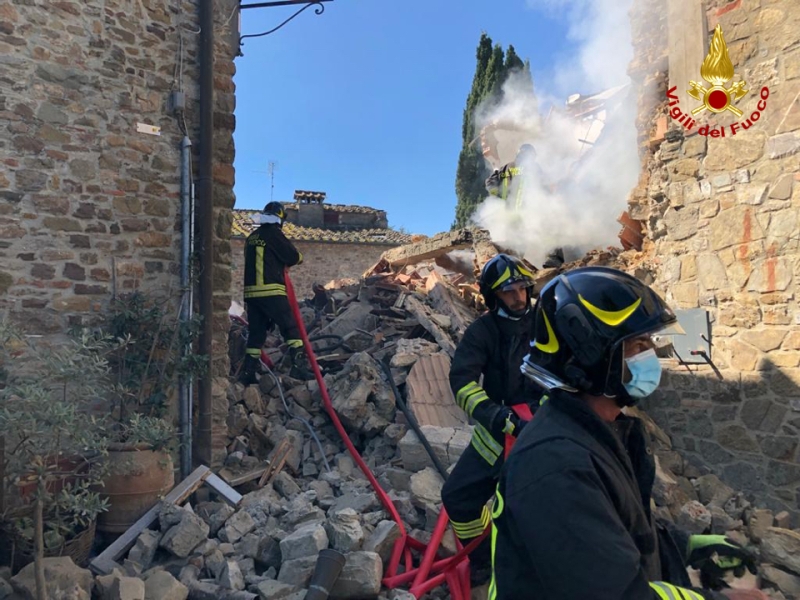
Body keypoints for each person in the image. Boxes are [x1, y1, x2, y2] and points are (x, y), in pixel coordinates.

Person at [490, 266, 764, 600]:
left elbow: (615, 527)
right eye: (637, 345)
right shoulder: (555, 467)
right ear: (591, 359)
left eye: (650, 342)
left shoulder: (604, 430)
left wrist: (683, 545)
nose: (651, 356)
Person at [442, 253, 539, 584]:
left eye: (523, 289)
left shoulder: (547, 321)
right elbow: (462, 381)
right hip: (498, 432)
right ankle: (483, 559)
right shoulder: (483, 331)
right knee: (457, 496)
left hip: (545, 430)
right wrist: (494, 415)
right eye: (509, 292)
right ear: (493, 295)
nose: (519, 298)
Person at [241, 201, 306, 384]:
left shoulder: (251, 237)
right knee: (290, 328)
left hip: (252, 295)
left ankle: (247, 373)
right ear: (280, 218)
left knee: (256, 334)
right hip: (271, 290)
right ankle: (299, 369)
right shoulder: (274, 234)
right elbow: (293, 256)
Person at [485, 143, 545, 212]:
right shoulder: (534, 168)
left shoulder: (508, 167)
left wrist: (496, 196)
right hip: (526, 212)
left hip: (507, 211)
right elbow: (543, 184)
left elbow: (490, 182)